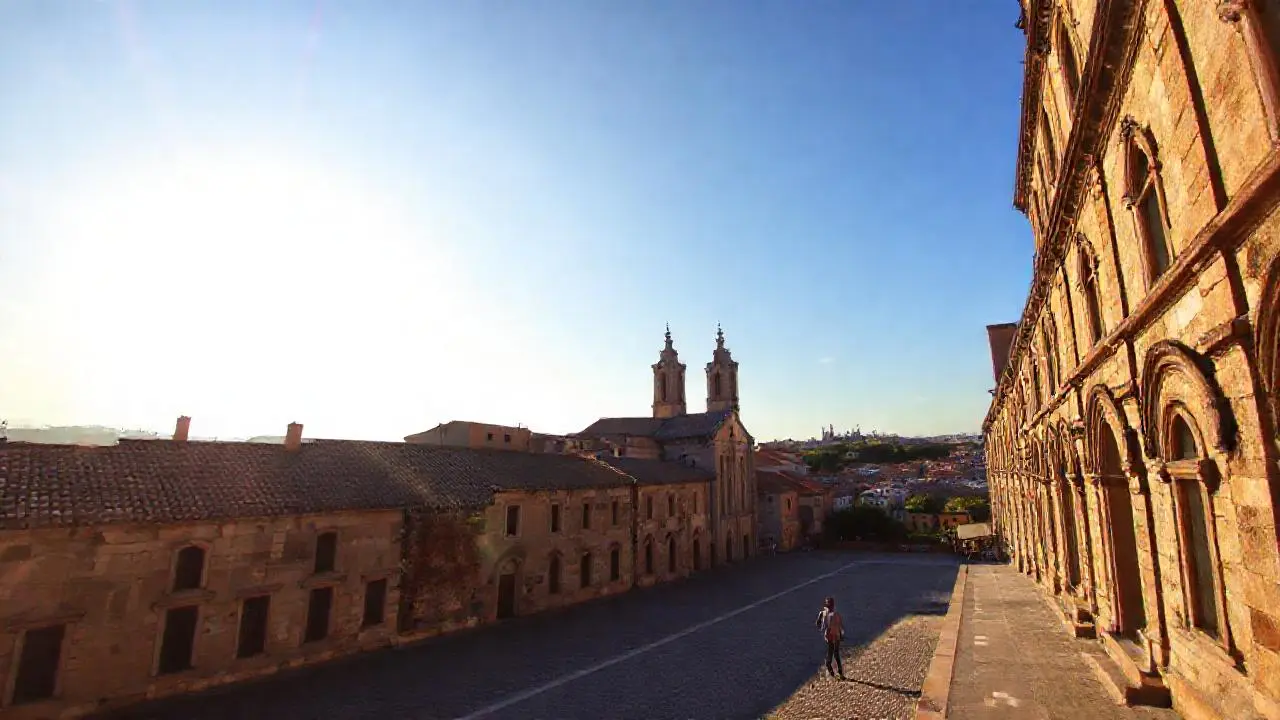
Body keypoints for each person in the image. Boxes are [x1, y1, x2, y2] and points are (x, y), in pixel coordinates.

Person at [814, 596, 846, 679]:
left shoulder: (826, 614)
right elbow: (840, 627)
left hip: (832, 637)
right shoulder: (833, 614)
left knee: (834, 655)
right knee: (835, 654)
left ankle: (835, 673)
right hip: (833, 637)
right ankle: (837, 673)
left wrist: (822, 625)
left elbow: (818, 624)